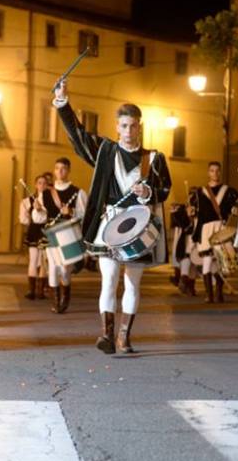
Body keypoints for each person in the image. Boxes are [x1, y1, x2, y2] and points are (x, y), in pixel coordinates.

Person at [54, 80, 171, 354]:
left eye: (133, 125)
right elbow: (79, 135)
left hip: (140, 225)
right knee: (109, 280)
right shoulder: (106, 151)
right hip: (109, 224)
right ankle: (106, 335)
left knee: (132, 282)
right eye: (124, 126)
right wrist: (63, 103)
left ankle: (124, 336)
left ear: (139, 126)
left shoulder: (154, 158)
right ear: (117, 127)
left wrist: (149, 191)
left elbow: (165, 189)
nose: (128, 131)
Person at [37, 157, 88, 314]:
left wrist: (71, 212)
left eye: (63, 168)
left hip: (69, 235)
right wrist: (37, 210)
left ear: (68, 170)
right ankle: (57, 302)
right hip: (51, 235)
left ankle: (66, 294)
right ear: (54, 170)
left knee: (65, 269)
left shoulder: (78, 192)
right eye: (57, 168)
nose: (60, 171)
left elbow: (85, 214)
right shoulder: (45, 193)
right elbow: (39, 217)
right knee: (52, 268)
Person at [190, 161, 238, 303]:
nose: (215, 173)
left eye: (217, 170)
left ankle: (219, 293)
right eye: (212, 170)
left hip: (221, 228)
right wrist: (191, 211)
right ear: (208, 172)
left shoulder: (228, 191)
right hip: (206, 229)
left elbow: (235, 205)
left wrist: (235, 209)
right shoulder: (199, 192)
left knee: (222, 260)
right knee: (206, 260)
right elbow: (194, 208)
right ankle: (209, 294)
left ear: (220, 172)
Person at [19, 174, 49, 300]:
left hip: (46, 230)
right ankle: (31, 290)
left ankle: (40, 291)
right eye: (39, 183)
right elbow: (23, 220)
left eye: (44, 183)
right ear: (36, 185)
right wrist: (30, 212)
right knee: (33, 259)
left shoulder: (50, 201)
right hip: (34, 230)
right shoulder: (27, 201)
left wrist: (42, 210)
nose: (42, 185)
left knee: (43, 261)